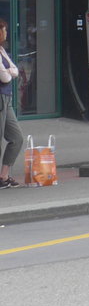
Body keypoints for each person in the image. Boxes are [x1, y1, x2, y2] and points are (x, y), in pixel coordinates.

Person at [0, 19, 24, 188]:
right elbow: (5, 77)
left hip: (6, 98)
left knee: (16, 138)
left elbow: (14, 69)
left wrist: (9, 71)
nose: (6, 33)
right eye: (4, 30)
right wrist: (9, 72)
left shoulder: (2, 50)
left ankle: (4, 175)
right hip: (1, 97)